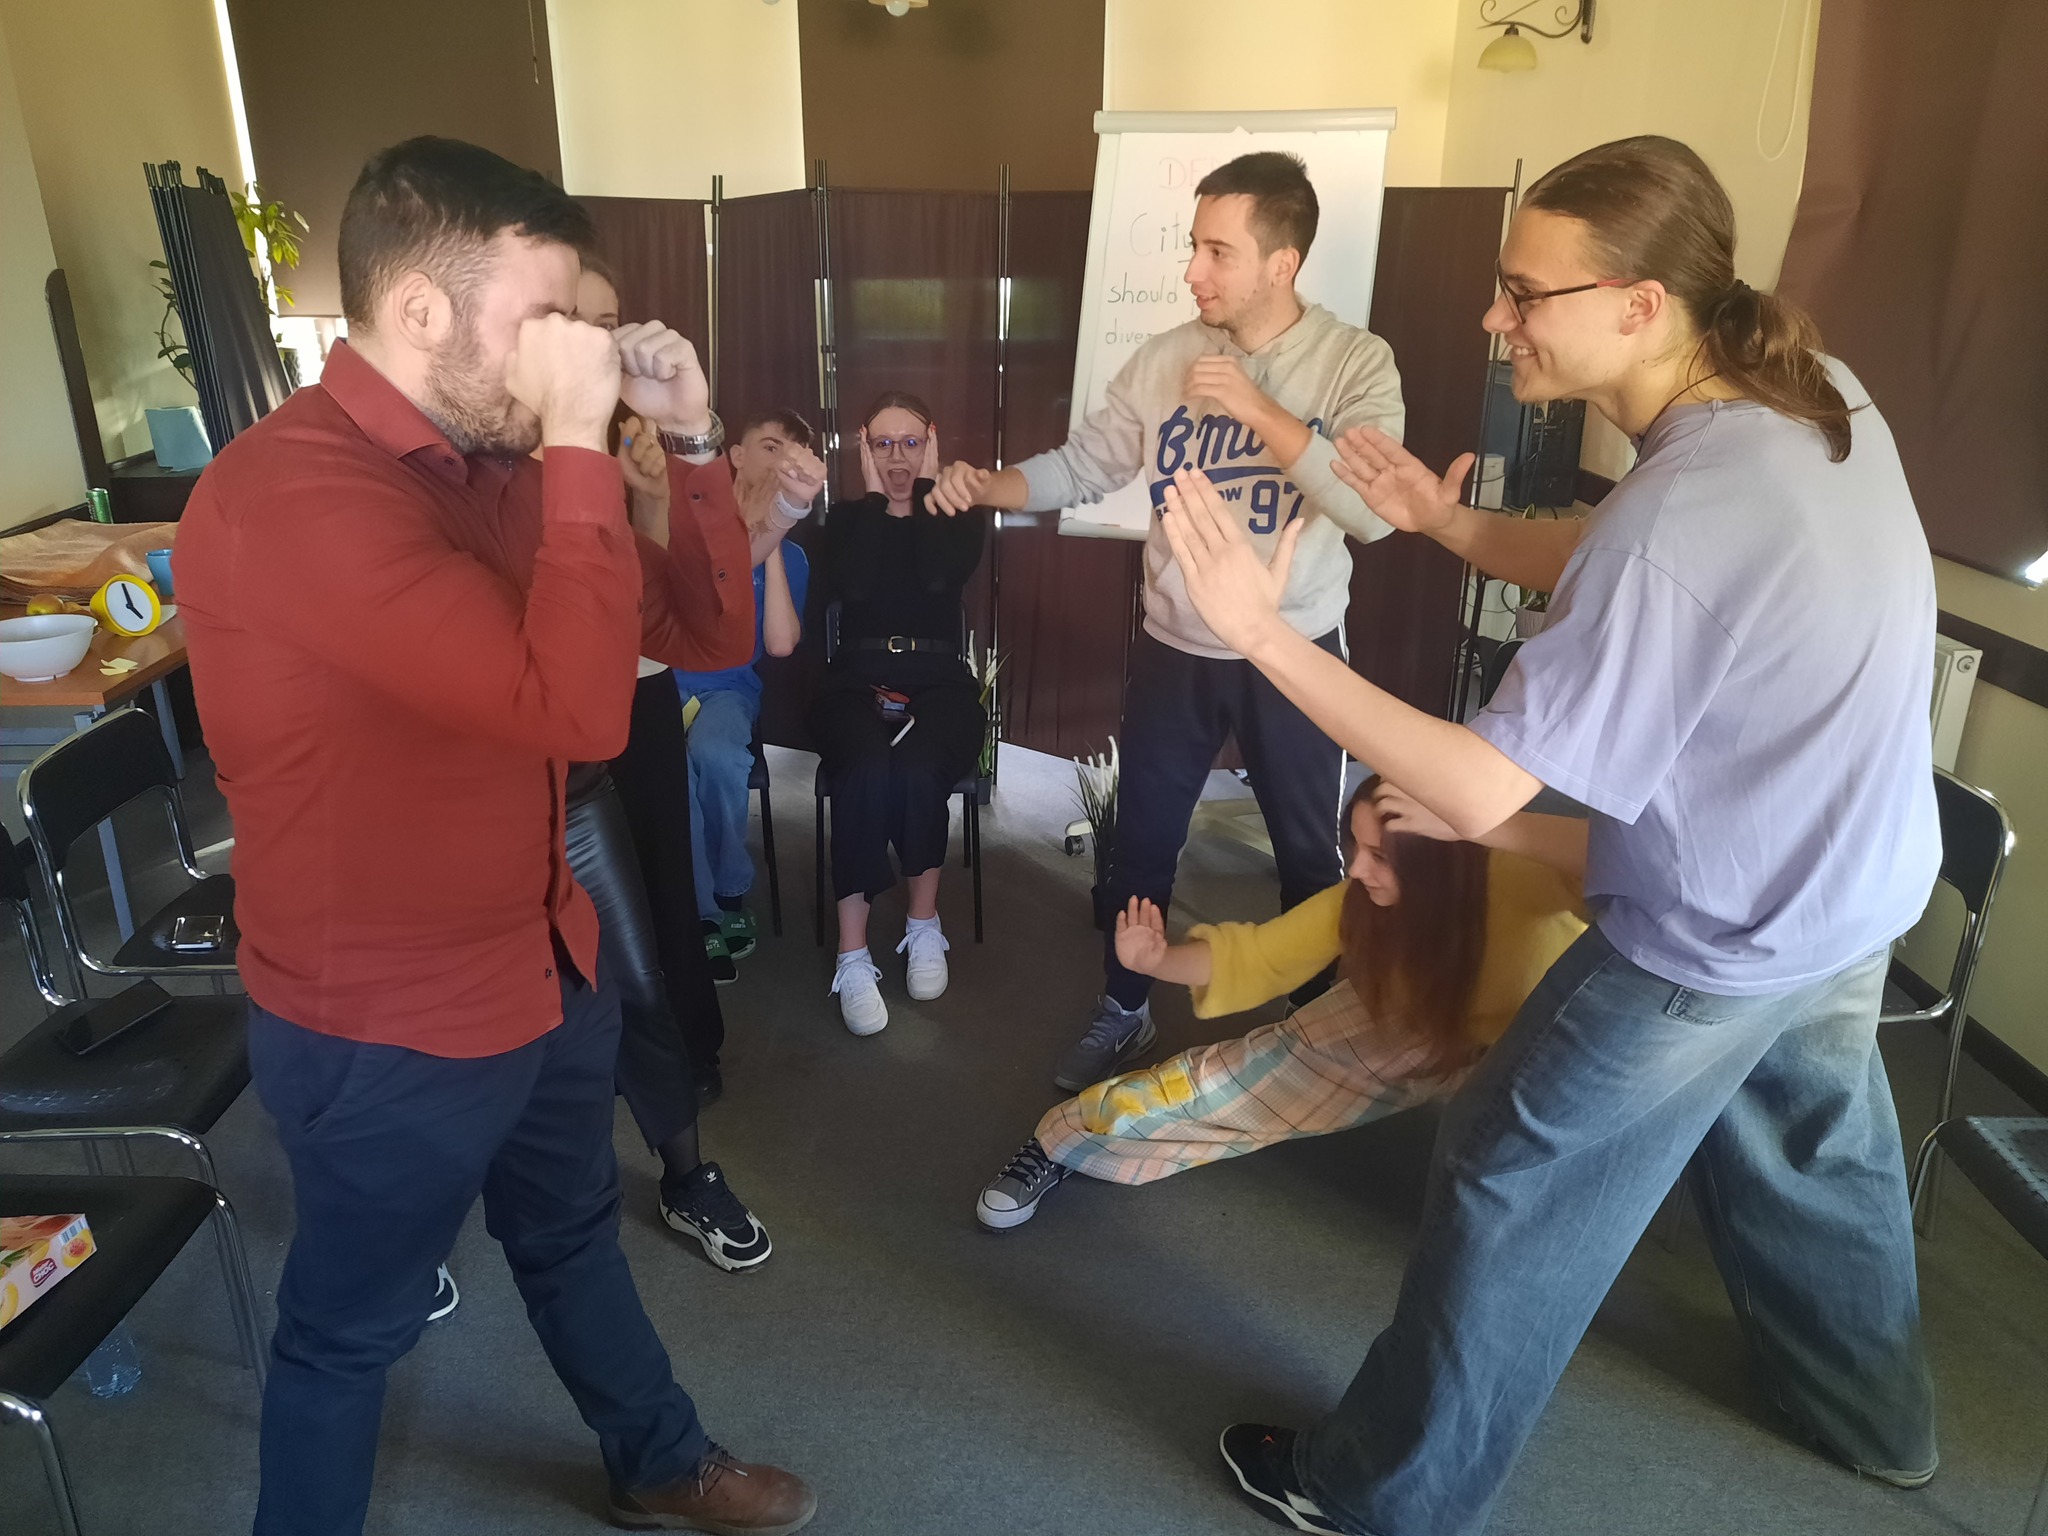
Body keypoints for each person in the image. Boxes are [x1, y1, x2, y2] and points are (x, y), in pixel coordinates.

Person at [1155, 136, 1941, 1536]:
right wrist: (1449, 523)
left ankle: (1380, 1495)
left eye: (1525, 293)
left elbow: (1476, 794)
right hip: (1858, 884)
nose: (1493, 316)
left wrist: (1260, 636)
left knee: (1508, 1169)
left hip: (1722, 930)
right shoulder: (1802, 392)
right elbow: (1624, 550)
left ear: (1640, 305)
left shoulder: (1686, 508)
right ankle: (1875, 1424)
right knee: (1818, 1156)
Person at [176, 136, 815, 1535]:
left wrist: (692, 439)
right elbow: (575, 711)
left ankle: (654, 1460)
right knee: (347, 1332)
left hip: (541, 958)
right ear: (419, 310)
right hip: (388, 1018)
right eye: (546, 318)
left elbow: (704, 630)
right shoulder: (289, 496)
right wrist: (580, 442)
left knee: (571, 1229)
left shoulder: (506, 465)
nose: (572, 352)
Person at [926, 150, 1405, 1094]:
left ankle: (1314, 1035)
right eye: (1194, 246)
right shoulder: (1163, 359)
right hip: (1176, 648)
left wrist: (1259, 408)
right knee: (1140, 845)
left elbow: (1373, 512)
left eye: (1218, 251)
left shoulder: (1354, 361)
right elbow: (1084, 466)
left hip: (1294, 651)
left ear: (1282, 262)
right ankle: (1123, 1004)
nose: (1193, 271)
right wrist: (991, 487)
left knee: (1308, 856)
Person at [974, 779, 1586, 1229]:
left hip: (1558, 1036)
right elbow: (1259, 957)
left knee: (1514, 1201)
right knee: (1236, 1077)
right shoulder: (1359, 900)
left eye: (1381, 856)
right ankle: (1067, 1138)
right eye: (1355, 845)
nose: (1357, 868)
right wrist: (1157, 961)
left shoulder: (1526, 876)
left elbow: (1627, 858)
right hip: (1420, 1019)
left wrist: (1474, 822)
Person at [555, 257, 802, 1272]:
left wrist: (675, 467)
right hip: (513, 743)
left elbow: (695, 619)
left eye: (605, 322)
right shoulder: (494, 454)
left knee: (648, 927)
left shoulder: (635, 437)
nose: (592, 344)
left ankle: (685, 1155)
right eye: (565, 319)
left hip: (628, 700)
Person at [813, 393, 986, 1035]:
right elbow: (855, 585)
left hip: (940, 683)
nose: (897, 457)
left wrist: (929, 490)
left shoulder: (959, 513)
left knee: (916, 768)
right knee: (862, 768)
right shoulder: (845, 520)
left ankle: (922, 924)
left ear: (931, 443)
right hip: (854, 682)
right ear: (863, 447)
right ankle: (853, 954)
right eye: (882, 443)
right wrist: (875, 503)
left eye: (910, 442)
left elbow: (939, 578)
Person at [673, 408, 818, 958]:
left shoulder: (792, 556)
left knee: (715, 755)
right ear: (735, 455)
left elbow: (779, 644)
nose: (780, 463)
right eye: (770, 447)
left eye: (791, 454)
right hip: (666, 680)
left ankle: (728, 890)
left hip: (729, 690)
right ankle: (701, 911)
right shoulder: (691, 525)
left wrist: (772, 534)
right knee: (671, 770)